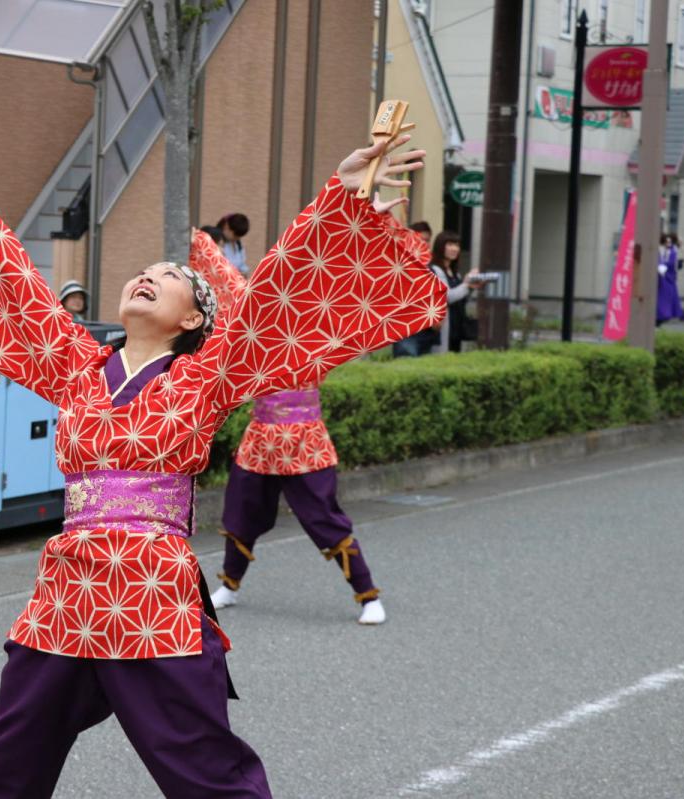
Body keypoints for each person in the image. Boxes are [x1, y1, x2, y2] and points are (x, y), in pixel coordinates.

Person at [0, 127, 444, 797]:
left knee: (206, 768)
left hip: (153, 595)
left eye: (170, 277)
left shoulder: (206, 376)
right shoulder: (77, 364)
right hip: (69, 592)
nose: (149, 275)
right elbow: (16, 287)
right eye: (145, 271)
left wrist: (341, 196)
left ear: (195, 320)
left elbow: (276, 292)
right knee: (3, 763)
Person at [189, 228, 410, 625]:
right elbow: (223, 275)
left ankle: (367, 594)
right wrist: (197, 239)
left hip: (306, 442)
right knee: (240, 514)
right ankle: (229, 584)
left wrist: (369, 225)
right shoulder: (250, 318)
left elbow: (352, 284)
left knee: (324, 518)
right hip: (260, 441)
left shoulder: (319, 327)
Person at [426, 231, 481, 354]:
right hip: (443, 328)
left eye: (457, 245)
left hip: (456, 327)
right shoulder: (434, 270)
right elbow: (446, 297)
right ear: (440, 246)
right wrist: (467, 285)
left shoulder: (455, 273)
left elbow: (461, 298)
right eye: (450, 244)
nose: (454, 249)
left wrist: (472, 286)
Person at [394, 221, 435, 357]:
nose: (425, 244)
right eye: (420, 240)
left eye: (427, 241)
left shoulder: (429, 267)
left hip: (427, 330)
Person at [656, 233, 683, 325]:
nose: (668, 243)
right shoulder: (661, 249)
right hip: (663, 277)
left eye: (670, 241)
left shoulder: (673, 251)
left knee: (666, 298)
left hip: (668, 277)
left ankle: (664, 315)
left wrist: (661, 267)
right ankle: (661, 315)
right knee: (663, 298)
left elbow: (671, 263)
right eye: (666, 241)